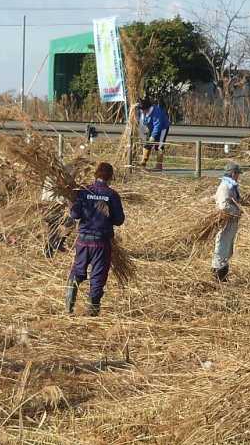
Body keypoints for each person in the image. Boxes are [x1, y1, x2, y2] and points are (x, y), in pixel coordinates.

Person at [65, 162, 125, 316]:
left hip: (83, 240)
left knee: (78, 271)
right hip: (101, 242)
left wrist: (71, 202)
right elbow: (119, 220)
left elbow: (74, 215)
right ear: (110, 177)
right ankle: (92, 312)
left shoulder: (84, 191)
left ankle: (69, 307)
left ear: (96, 174)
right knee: (98, 275)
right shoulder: (112, 195)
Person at [211, 162, 243, 282]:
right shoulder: (225, 186)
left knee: (227, 248)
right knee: (222, 247)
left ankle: (222, 274)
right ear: (233, 173)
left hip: (232, 221)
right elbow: (223, 206)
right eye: (237, 174)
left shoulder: (231, 186)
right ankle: (218, 275)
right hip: (226, 221)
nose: (238, 176)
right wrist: (238, 210)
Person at [41, 163, 75, 258]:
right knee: (71, 222)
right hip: (52, 208)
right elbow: (58, 198)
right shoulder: (56, 180)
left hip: (48, 208)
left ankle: (49, 252)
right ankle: (58, 242)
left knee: (53, 230)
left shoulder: (50, 178)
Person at [137, 98, 171, 171]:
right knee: (147, 144)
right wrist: (142, 134)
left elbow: (157, 125)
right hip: (151, 128)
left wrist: (153, 136)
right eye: (141, 109)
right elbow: (142, 123)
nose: (142, 111)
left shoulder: (157, 112)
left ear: (148, 108)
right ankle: (144, 161)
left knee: (159, 146)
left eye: (143, 109)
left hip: (162, 128)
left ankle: (159, 165)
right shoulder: (142, 111)